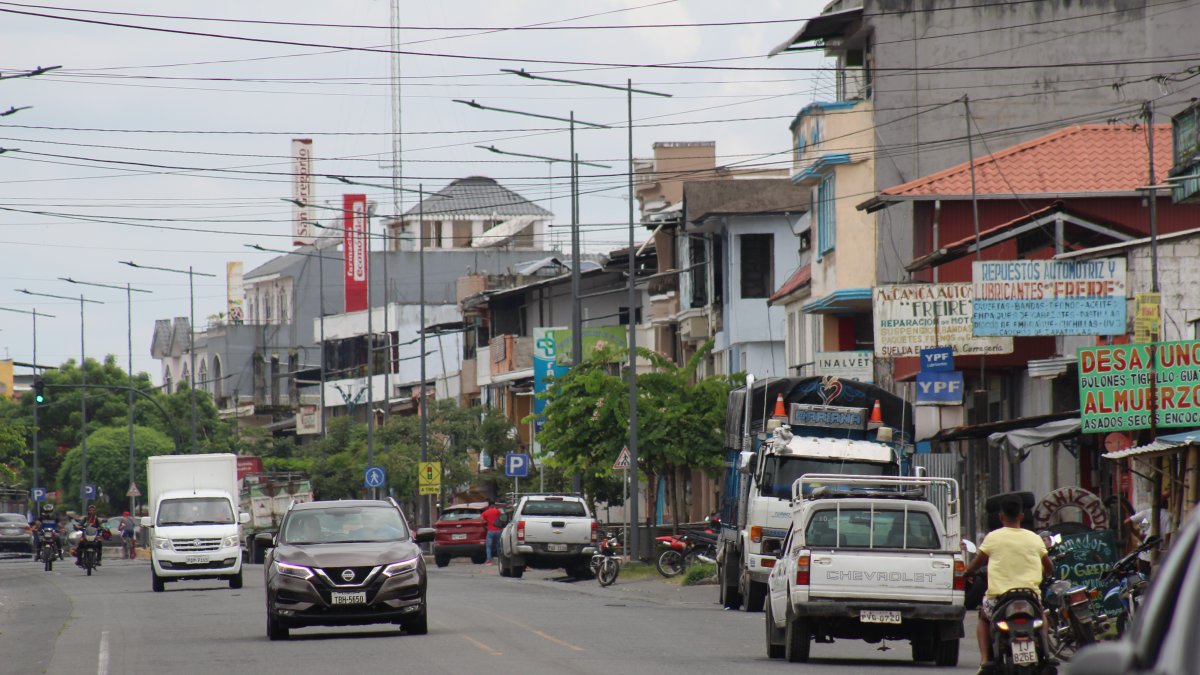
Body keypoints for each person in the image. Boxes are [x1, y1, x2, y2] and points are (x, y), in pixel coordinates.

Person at [962, 496, 1054, 671]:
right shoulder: (1034, 538)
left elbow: (977, 563)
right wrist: (1044, 573)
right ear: (1021, 516)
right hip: (1030, 597)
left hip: (999, 599)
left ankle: (984, 662)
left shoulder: (993, 537)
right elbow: (1049, 566)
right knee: (1041, 616)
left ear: (1000, 516)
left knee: (983, 616)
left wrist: (967, 573)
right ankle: (1046, 653)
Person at [1126, 491, 1174, 576]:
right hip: (1159, 558)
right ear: (1165, 503)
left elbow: (1133, 525)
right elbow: (1167, 538)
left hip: (1144, 556)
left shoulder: (1147, 513)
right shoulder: (1168, 516)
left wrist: (1137, 535)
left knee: (1144, 582)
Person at [481, 501, 503, 566]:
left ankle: (489, 561)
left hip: (490, 531)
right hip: (499, 530)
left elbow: (481, 520)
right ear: (494, 505)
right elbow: (502, 518)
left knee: (488, 546)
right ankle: (500, 559)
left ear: (489, 506)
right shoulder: (498, 511)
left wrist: (486, 526)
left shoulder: (485, 512)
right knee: (498, 546)